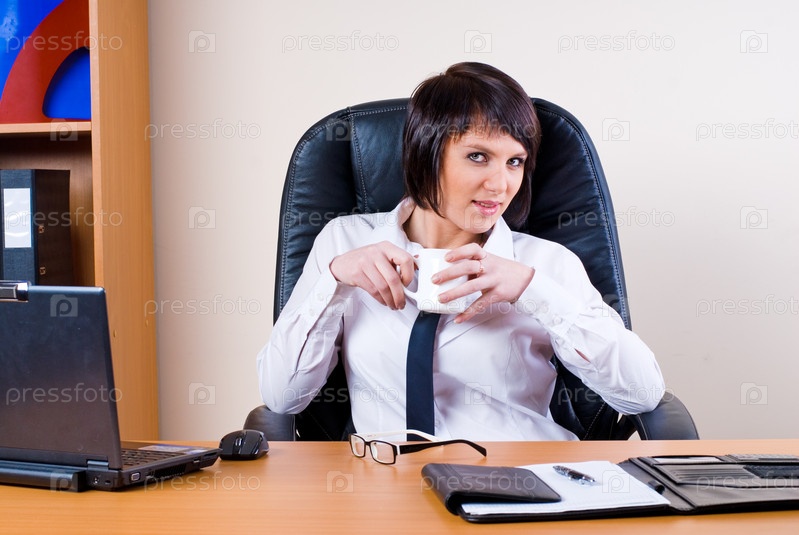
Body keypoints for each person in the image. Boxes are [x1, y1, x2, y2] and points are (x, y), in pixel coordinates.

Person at [257, 62, 665, 441]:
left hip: (523, 480)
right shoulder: (344, 242)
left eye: (515, 162)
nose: (500, 185)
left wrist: (534, 291)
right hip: (387, 481)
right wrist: (334, 283)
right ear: (425, 153)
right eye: (478, 156)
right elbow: (282, 397)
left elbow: (642, 395)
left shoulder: (546, 263)